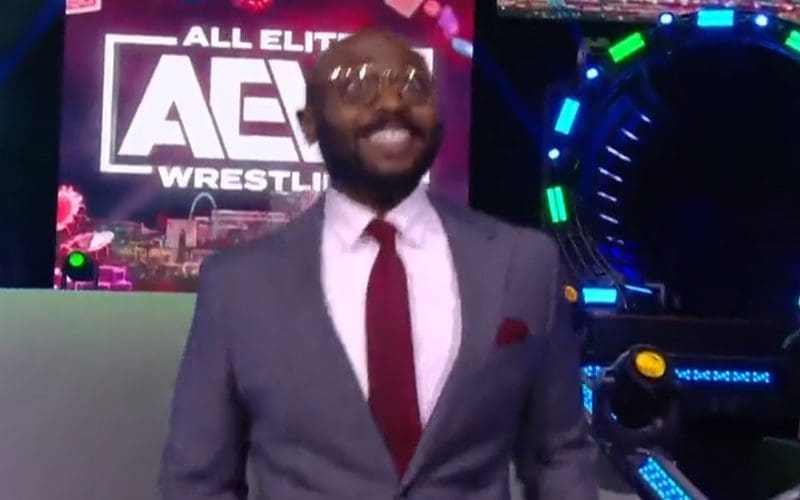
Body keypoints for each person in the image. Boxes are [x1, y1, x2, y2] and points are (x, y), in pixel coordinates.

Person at [159, 29, 597, 500]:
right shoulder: (238, 286)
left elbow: (559, 455)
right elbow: (197, 483)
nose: (391, 102)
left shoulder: (525, 263)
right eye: (358, 87)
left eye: (413, 86)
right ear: (310, 123)